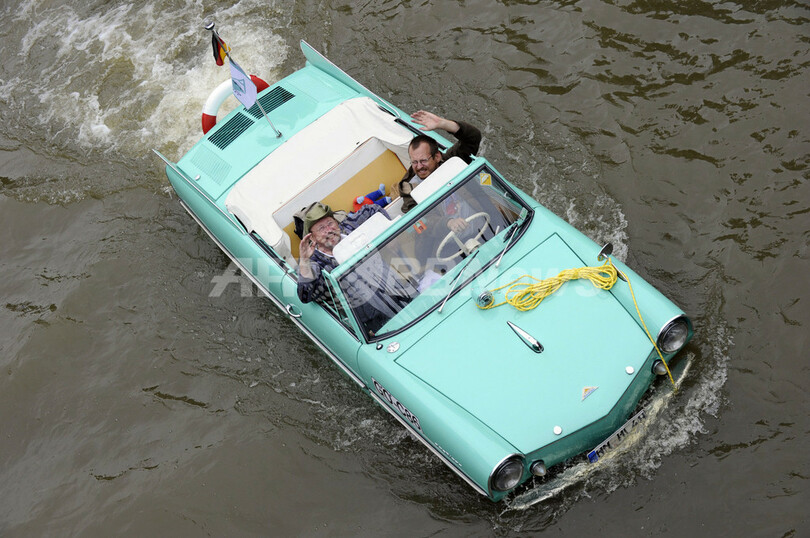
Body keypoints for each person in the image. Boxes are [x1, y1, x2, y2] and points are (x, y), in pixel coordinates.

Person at [297, 202, 410, 335]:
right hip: (372, 321)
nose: (329, 230)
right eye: (321, 228)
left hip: (398, 292)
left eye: (330, 223)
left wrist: (389, 232)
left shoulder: (350, 227)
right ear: (312, 238)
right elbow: (305, 296)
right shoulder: (314, 262)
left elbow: (372, 209)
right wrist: (304, 261)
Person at [397, 110, 482, 213]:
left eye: (423, 160)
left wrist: (442, 124)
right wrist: (447, 223)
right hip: (454, 229)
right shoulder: (411, 192)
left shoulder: (452, 162)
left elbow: (473, 137)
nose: (419, 167)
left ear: (437, 156)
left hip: (487, 217)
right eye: (414, 162)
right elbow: (425, 221)